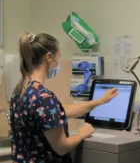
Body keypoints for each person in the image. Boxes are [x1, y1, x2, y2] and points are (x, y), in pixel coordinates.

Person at [9, 32, 118, 163]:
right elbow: (61, 147)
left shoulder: (21, 90)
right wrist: (82, 133)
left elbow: (56, 113)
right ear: (49, 57)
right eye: (59, 57)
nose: (59, 62)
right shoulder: (43, 97)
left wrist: (99, 101)